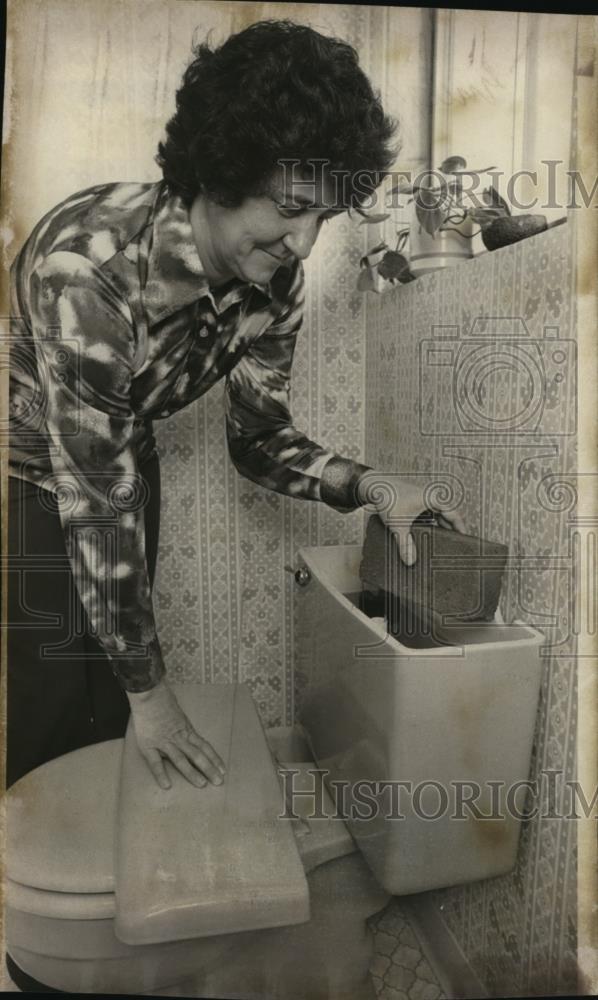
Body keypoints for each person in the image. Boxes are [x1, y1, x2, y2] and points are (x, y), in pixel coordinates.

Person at [7, 19, 464, 792]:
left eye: (323, 216)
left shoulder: (272, 283)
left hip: (119, 467)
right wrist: (154, 699)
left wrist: (368, 485)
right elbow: (93, 496)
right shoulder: (87, 266)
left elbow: (257, 437)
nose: (304, 244)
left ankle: (112, 883)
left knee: (110, 705)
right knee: (49, 709)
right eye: (291, 206)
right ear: (223, 170)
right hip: (23, 477)